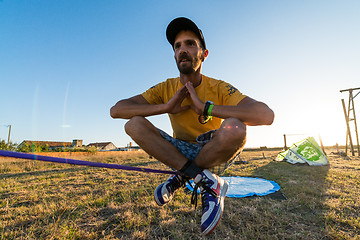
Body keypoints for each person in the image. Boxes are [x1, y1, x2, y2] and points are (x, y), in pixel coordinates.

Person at [110, 17, 274, 235]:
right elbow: (117, 110)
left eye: (190, 44)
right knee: (134, 125)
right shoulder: (165, 87)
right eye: (177, 46)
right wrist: (167, 106)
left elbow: (265, 115)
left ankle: (182, 175)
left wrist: (206, 108)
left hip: (214, 151)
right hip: (179, 150)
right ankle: (203, 179)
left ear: (204, 54)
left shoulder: (219, 87)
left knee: (236, 127)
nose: (182, 50)